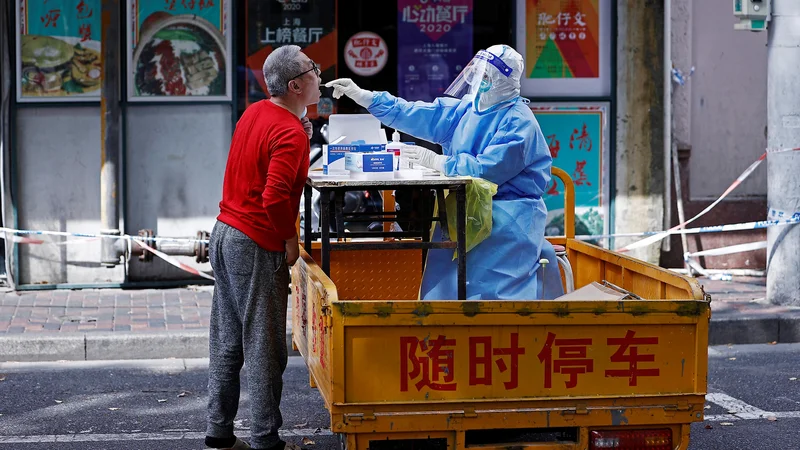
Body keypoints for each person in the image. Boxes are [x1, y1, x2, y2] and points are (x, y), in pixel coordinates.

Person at [326, 44, 562, 300]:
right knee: (445, 287)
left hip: (507, 218)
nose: (479, 81)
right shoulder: (469, 108)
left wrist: (439, 163)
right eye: (478, 73)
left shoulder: (519, 121)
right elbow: (420, 114)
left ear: (504, 81)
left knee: (492, 296)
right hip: (466, 208)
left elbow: (488, 169)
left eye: (487, 76)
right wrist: (366, 97)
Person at [205, 45, 319, 450]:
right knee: (265, 346)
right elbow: (273, 198)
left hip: (224, 233)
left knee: (228, 338)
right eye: (313, 69)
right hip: (255, 241)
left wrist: (301, 131)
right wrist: (289, 239)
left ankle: (218, 428)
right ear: (296, 84)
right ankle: (264, 436)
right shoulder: (289, 133)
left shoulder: (256, 112)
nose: (319, 75)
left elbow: (260, 156)